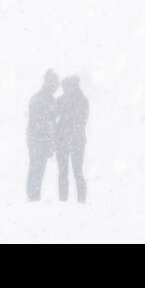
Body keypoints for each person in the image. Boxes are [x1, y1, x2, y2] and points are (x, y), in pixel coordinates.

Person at [26, 70, 59, 202]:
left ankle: (32, 197)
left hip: (35, 138)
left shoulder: (37, 98)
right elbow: (48, 122)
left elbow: (47, 121)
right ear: (49, 82)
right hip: (40, 138)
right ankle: (33, 198)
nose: (56, 87)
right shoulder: (46, 99)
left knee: (35, 168)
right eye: (54, 83)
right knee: (37, 168)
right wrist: (50, 142)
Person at [55, 75, 88, 203]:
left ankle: (80, 201)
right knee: (65, 172)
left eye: (66, 87)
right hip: (67, 140)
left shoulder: (81, 101)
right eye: (63, 87)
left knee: (76, 172)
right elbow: (53, 116)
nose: (64, 89)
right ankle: (66, 200)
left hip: (73, 140)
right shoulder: (64, 100)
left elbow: (81, 121)